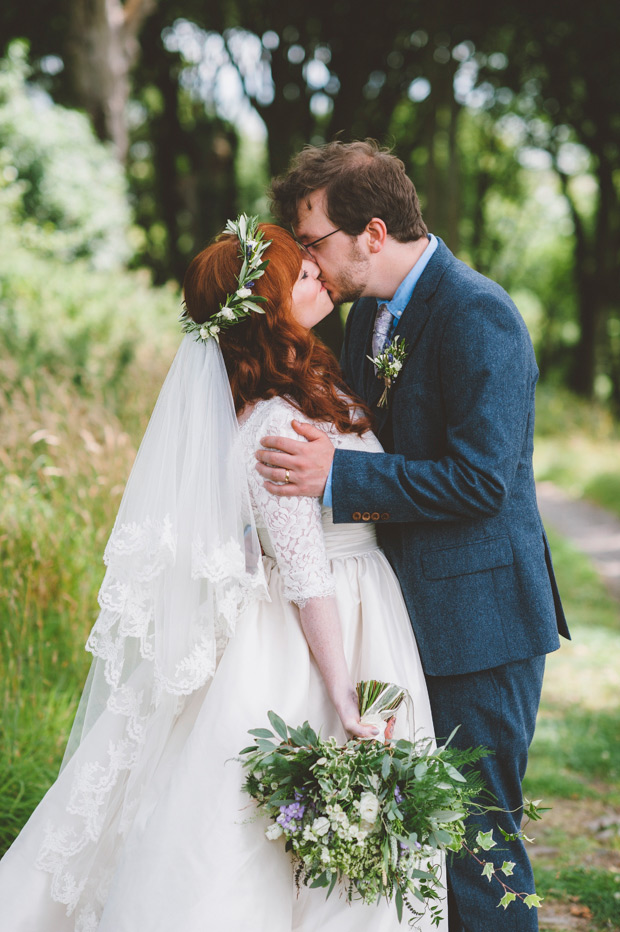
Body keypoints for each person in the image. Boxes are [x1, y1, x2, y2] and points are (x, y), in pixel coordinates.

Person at [0, 218, 446, 931]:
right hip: (317, 637)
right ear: (267, 313)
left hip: (357, 607)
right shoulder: (274, 424)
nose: (317, 276)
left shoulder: (305, 390)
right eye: (299, 276)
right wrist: (344, 693)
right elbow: (303, 574)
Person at [258, 141, 570, 932]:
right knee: (425, 845)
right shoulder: (368, 317)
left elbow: (480, 482)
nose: (313, 264)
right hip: (400, 621)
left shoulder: (478, 312)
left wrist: (337, 478)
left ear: (371, 231)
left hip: (479, 624)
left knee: (481, 843)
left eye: (316, 242)